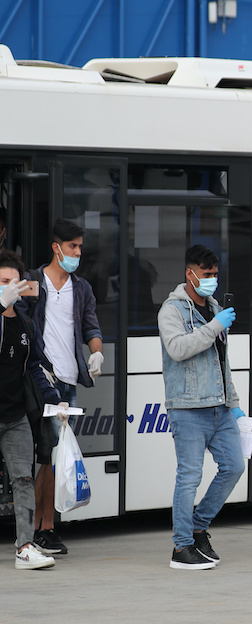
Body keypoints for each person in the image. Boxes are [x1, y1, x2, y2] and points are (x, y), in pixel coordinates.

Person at [19, 218, 103, 555]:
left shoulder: (81, 288)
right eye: (73, 247)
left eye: (80, 246)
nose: (78, 252)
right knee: (47, 456)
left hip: (69, 382)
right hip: (44, 382)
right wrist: (37, 367)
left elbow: (90, 326)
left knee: (54, 456)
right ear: (57, 248)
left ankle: (44, 526)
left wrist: (96, 353)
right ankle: (44, 528)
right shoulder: (33, 283)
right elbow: (22, 324)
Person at [158, 245, 244, 570]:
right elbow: (178, 348)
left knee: (234, 466)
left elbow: (223, 363)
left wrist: (234, 404)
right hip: (188, 407)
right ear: (189, 274)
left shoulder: (215, 307)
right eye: (206, 275)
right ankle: (181, 548)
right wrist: (214, 327)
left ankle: (198, 526)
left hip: (219, 407)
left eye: (215, 275)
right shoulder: (172, 310)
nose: (211, 280)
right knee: (189, 477)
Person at [0, 250, 61, 569]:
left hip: (15, 415)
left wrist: (54, 399)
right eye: (2, 282)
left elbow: (35, 365)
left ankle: (25, 545)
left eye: (12, 282)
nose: (8, 287)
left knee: (23, 478)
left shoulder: (24, 322)